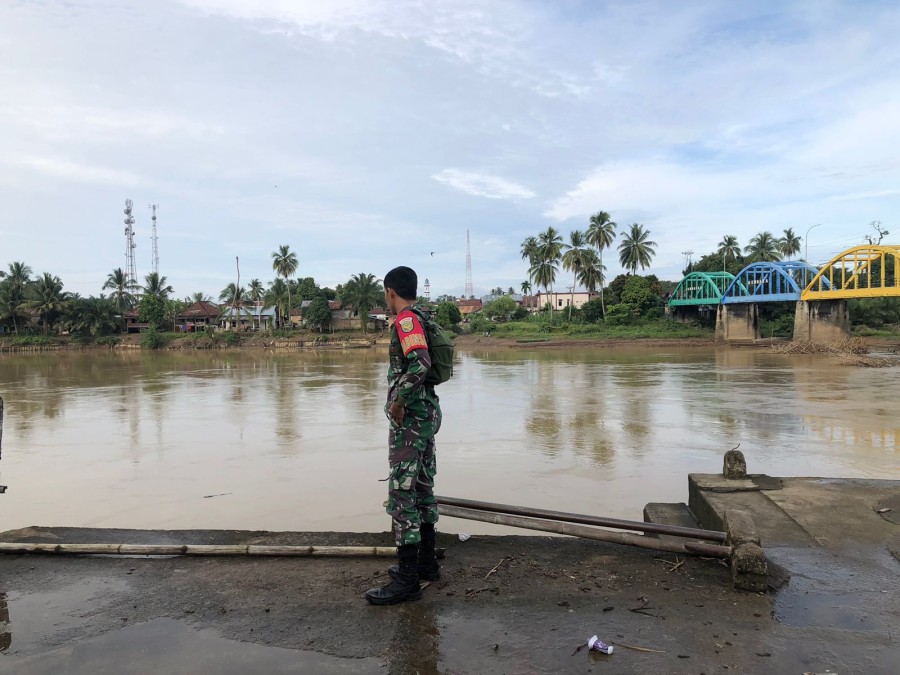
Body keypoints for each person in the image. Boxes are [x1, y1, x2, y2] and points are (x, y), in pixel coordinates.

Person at [365, 266, 442, 605]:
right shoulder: (422, 315)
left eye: (385, 294)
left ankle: (408, 580)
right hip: (425, 415)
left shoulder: (406, 320)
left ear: (390, 292)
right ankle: (426, 565)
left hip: (411, 419)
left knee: (401, 493)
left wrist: (399, 400)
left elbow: (421, 363)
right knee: (423, 486)